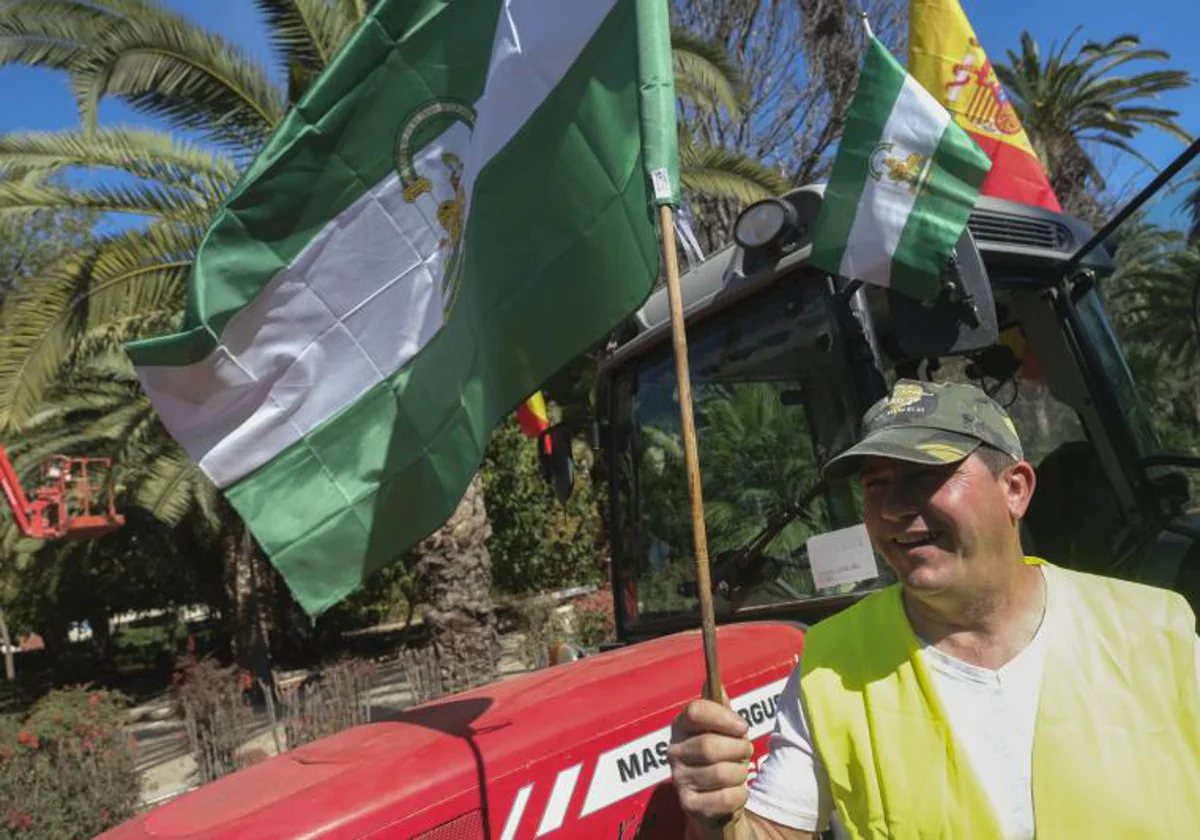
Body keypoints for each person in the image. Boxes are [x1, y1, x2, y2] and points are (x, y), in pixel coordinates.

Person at [669, 379, 1200, 839]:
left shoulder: (1157, 629)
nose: (895, 507)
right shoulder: (831, 667)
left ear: (1014, 488)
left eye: (925, 475)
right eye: (876, 484)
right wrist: (719, 818)